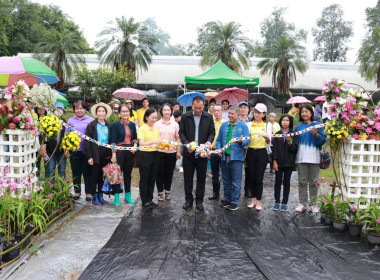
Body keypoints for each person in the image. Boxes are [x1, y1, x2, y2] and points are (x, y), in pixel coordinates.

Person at [180, 96, 215, 211]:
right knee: (188, 178)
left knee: (201, 178)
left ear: (204, 105)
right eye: (195, 108)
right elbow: (181, 133)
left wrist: (209, 142)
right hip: (189, 152)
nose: (198, 110)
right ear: (192, 105)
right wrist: (187, 144)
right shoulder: (185, 116)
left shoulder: (209, 117)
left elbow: (211, 132)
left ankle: (199, 201)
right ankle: (188, 200)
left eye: (200, 108)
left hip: (202, 152)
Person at [216, 106, 250, 211]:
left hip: (236, 158)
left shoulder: (243, 126)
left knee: (236, 181)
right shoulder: (224, 125)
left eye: (232, 114)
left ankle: (235, 201)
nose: (230, 115)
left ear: (238, 115)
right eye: (229, 113)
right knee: (226, 180)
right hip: (224, 157)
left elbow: (247, 140)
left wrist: (241, 142)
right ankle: (227, 199)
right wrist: (219, 150)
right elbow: (218, 140)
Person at [295, 104, 326, 213]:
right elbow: (295, 143)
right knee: (302, 181)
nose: (304, 114)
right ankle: (302, 203)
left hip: (314, 157)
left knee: (314, 182)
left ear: (311, 113)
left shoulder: (319, 125)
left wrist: (316, 134)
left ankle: (313, 204)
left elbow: (322, 141)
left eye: (306, 112)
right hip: (301, 157)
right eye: (302, 112)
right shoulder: (298, 127)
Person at [84, 102, 113, 206]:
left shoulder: (109, 125)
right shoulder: (91, 125)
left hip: (106, 153)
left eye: (103, 111)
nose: (101, 113)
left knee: (102, 175)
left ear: (106, 113)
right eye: (99, 111)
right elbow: (86, 141)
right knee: (94, 176)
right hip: (95, 153)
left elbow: (111, 141)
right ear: (96, 113)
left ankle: (101, 196)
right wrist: (89, 156)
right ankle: (94, 196)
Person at [66, 100, 94, 201]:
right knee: (76, 172)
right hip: (74, 151)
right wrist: (66, 149)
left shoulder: (91, 120)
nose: (79, 110)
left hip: (87, 151)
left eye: (81, 108)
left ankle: (88, 193)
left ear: (85, 109)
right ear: (74, 110)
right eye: (77, 108)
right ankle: (77, 192)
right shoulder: (70, 121)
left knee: (87, 172)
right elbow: (66, 135)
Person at [110, 104, 138, 206]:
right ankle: (116, 198)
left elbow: (135, 137)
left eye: (127, 111)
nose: (125, 113)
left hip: (129, 151)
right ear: (119, 113)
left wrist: (135, 145)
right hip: (119, 152)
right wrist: (113, 154)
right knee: (117, 175)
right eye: (123, 111)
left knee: (128, 174)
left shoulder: (132, 125)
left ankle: (128, 196)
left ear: (129, 113)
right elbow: (113, 141)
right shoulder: (115, 125)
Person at [272, 114, 298, 212]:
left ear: (290, 122)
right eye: (283, 120)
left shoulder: (294, 134)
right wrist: (274, 161)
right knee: (277, 182)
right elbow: (274, 149)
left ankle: (284, 202)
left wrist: (289, 142)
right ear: (280, 122)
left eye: (287, 120)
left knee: (286, 182)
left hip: (289, 163)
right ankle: (277, 201)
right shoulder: (277, 134)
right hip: (278, 162)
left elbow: (295, 148)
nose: (285, 122)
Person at [246, 103, 270, 211]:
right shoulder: (248, 124)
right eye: (255, 112)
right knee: (251, 176)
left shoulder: (267, 125)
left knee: (259, 178)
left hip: (262, 152)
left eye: (259, 113)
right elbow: (246, 139)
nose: (256, 114)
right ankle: (252, 200)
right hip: (251, 151)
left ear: (264, 114)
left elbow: (270, 141)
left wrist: (267, 138)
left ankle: (259, 201)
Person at [154, 104, 181, 201]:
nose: (166, 112)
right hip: (159, 152)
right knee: (159, 173)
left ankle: (167, 192)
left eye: (168, 110)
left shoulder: (175, 124)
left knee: (169, 173)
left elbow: (177, 139)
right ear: (161, 112)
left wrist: (178, 151)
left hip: (171, 152)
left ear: (171, 112)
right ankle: (160, 193)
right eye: (164, 110)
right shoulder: (157, 124)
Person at [137, 108, 162, 209]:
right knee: (145, 178)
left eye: (156, 118)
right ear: (146, 117)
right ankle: (144, 200)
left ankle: (150, 199)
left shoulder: (155, 128)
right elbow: (141, 143)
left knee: (152, 178)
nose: (154, 120)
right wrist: (153, 141)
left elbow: (157, 141)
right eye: (152, 118)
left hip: (155, 155)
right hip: (145, 155)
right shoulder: (142, 128)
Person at [44, 102, 67, 180]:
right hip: (50, 150)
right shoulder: (49, 120)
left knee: (62, 170)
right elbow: (44, 135)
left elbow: (67, 134)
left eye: (61, 109)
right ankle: (50, 189)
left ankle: (63, 189)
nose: (59, 111)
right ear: (53, 111)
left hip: (61, 151)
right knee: (50, 170)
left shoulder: (65, 122)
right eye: (57, 109)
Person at [208, 104, 225, 200]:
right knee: (214, 173)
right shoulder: (210, 123)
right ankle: (215, 193)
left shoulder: (226, 123)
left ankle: (226, 194)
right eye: (215, 111)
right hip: (213, 151)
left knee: (225, 173)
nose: (217, 112)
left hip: (222, 151)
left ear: (222, 112)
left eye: (219, 110)